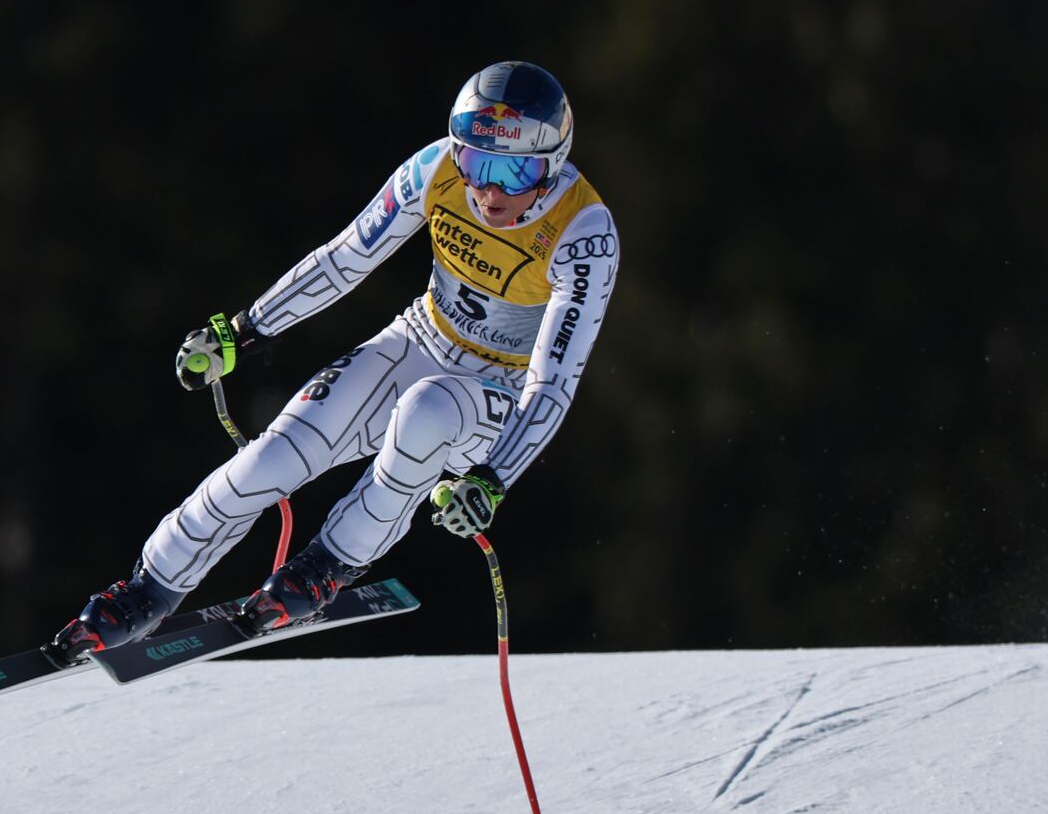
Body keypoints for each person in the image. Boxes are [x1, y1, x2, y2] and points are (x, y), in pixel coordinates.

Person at [45, 60, 620, 665]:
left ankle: (327, 565)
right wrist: (245, 330)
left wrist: (493, 478)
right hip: (421, 337)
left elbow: (552, 383)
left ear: (552, 163)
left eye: (514, 169)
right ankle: (145, 590)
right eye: (477, 162)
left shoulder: (584, 233)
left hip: (499, 393)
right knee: (268, 460)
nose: (490, 191)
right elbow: (345, 258)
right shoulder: (435, 171)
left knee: (429, 411)